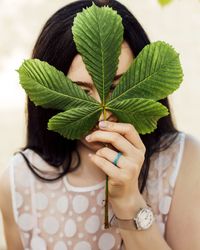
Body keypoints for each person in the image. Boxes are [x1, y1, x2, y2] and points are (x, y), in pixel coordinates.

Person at [0, 0, 200, 249]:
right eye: (81, 92)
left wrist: (128, 199)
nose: (102, 117)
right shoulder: (19, 181)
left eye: (116, 88)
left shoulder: (183, 158)